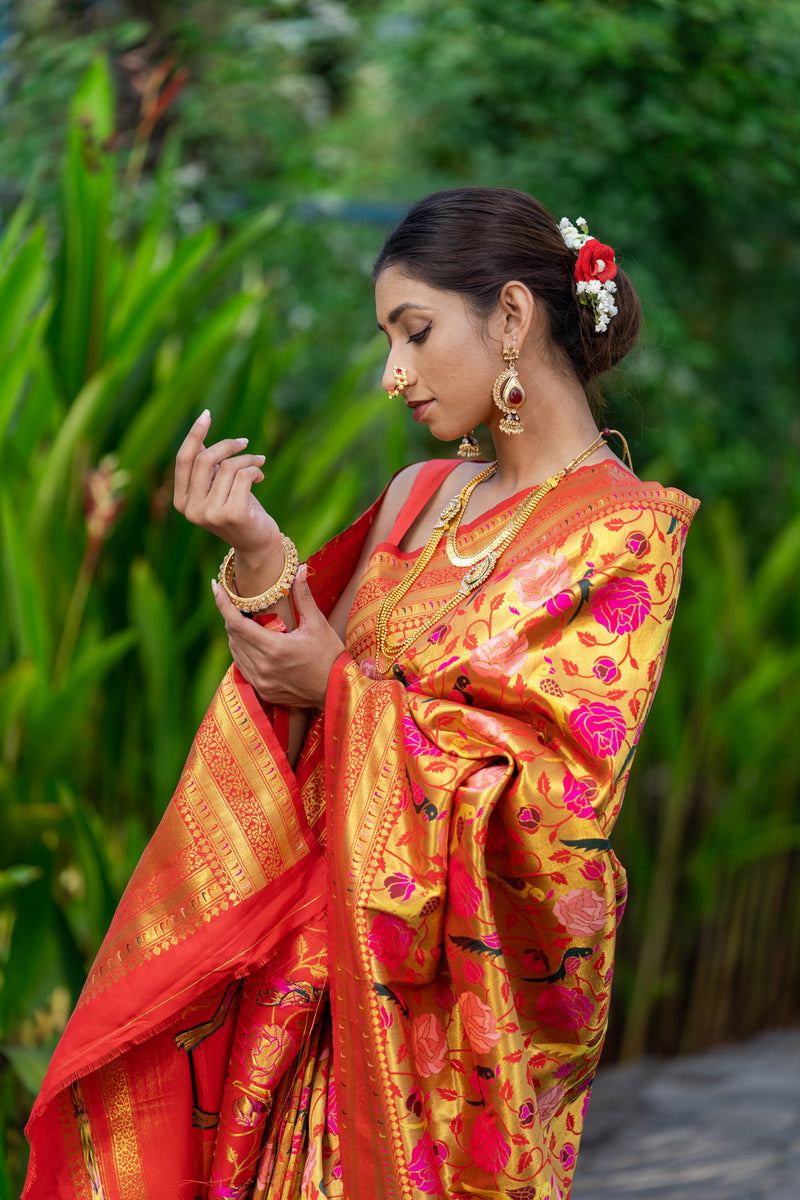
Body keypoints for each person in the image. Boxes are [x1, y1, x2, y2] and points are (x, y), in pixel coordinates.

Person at [24, 188, 698, 1199]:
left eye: (414, 333)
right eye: (389, 339)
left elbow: (548, 819)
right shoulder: (419, 497)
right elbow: (312, 715)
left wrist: (339, 689)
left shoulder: (620, 534)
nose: (394, 375)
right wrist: (256, 546)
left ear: (510, 317)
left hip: (436, 1038)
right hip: (310, 1004)